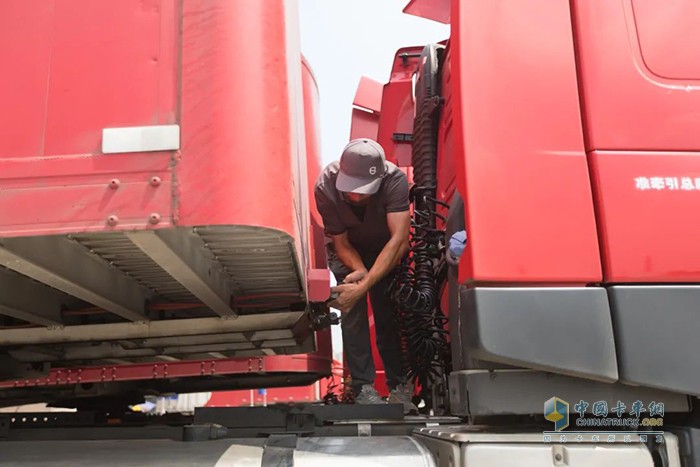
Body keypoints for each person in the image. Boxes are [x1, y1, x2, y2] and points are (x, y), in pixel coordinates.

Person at [314, 138, 417, 413]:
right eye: (352, 190)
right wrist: (359, 275)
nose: (357, 196)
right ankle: (363, 389)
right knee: (353, 312)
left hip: (386, 248)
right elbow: (341, 242)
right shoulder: (325, 186)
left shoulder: (394, 181)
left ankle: (400, 387)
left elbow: (399, 240)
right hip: (349, 252)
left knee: (388, 313)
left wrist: (368, 282)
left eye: (364, 191)